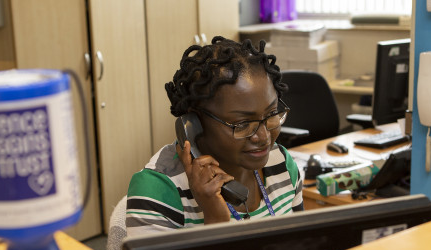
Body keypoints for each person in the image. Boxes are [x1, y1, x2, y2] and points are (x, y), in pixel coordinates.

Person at [126, 36, 303, 237]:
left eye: (271, 114)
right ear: (195, 124)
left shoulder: (281, 163)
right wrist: (215, 221)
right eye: (243, 124)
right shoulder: (157, 191)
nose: (263, 137)